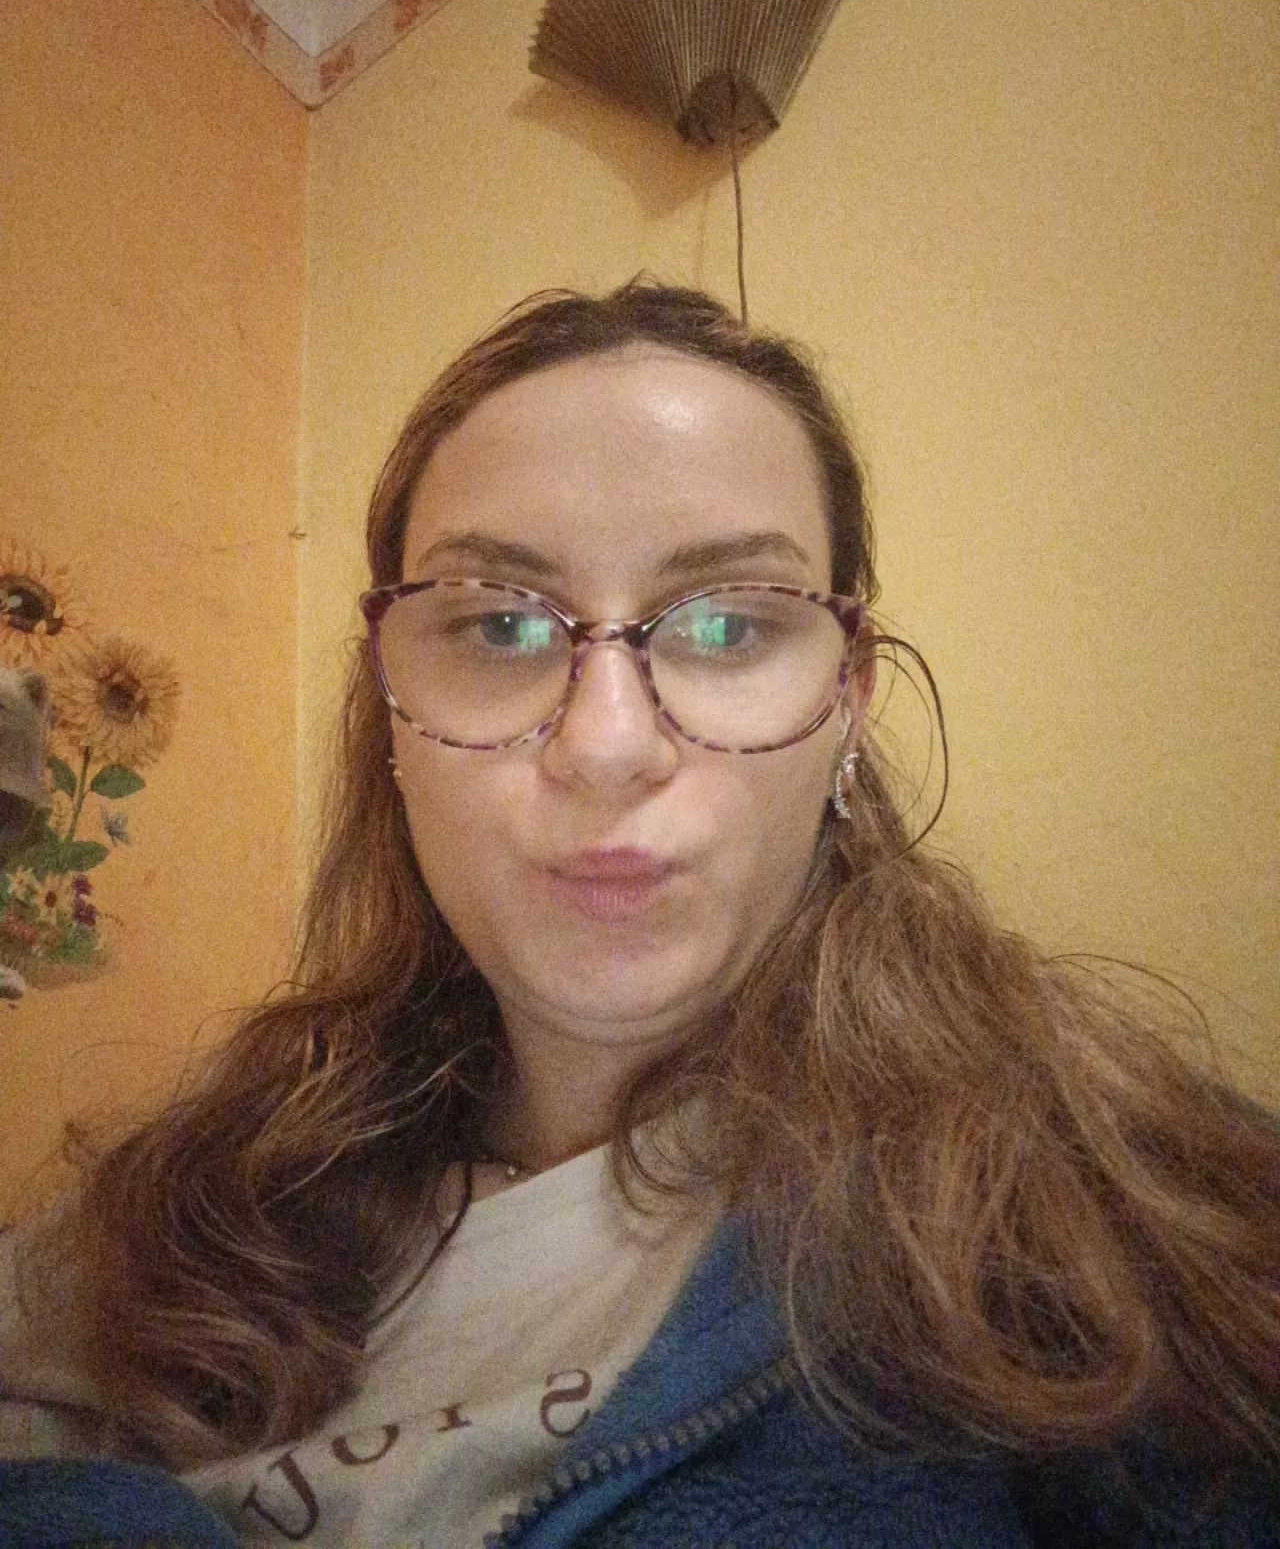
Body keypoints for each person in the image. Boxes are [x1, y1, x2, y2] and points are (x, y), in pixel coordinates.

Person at [1, 282, 1277, 1548]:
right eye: (498, 625)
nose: (605, 747)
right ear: (388, 703)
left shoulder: (1125, 1227)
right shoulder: (203, 1188)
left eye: (726, 623)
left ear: (846, 701)